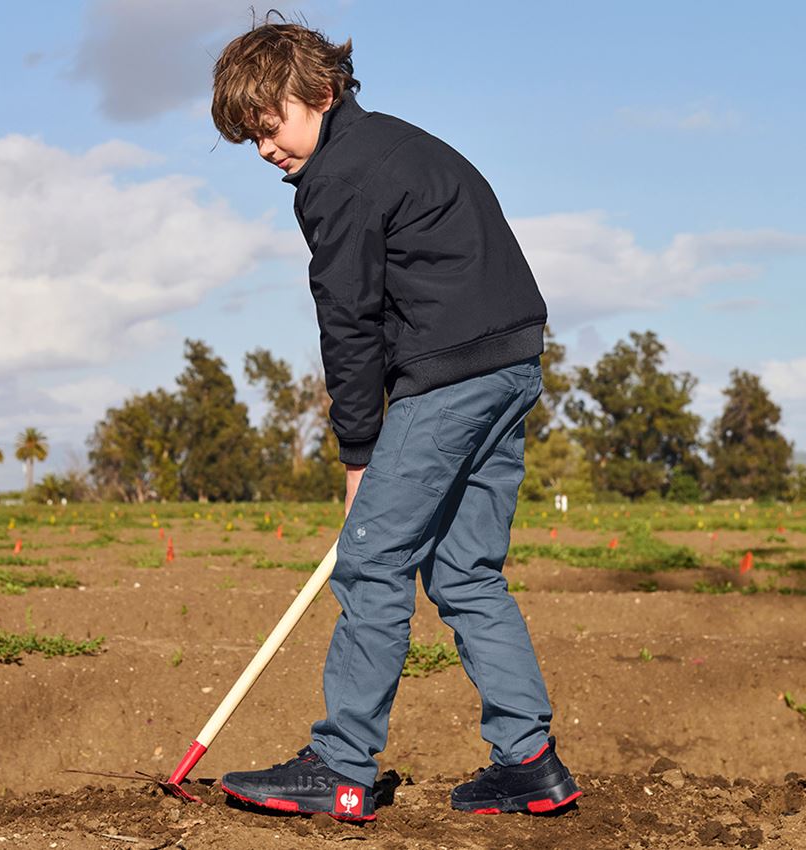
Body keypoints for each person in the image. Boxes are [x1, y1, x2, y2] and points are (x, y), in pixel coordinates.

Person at [209, 16, 580, 822]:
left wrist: (358, 457)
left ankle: (339, 768)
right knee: (464, 571)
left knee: (371, 561)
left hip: (452, 375)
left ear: (321, 90)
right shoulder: (399, 145)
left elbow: (350, 324)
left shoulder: (338, 177)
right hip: (512, 362)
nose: (264, 146)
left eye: (268, 123)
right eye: (249, 136)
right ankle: (529, 763)